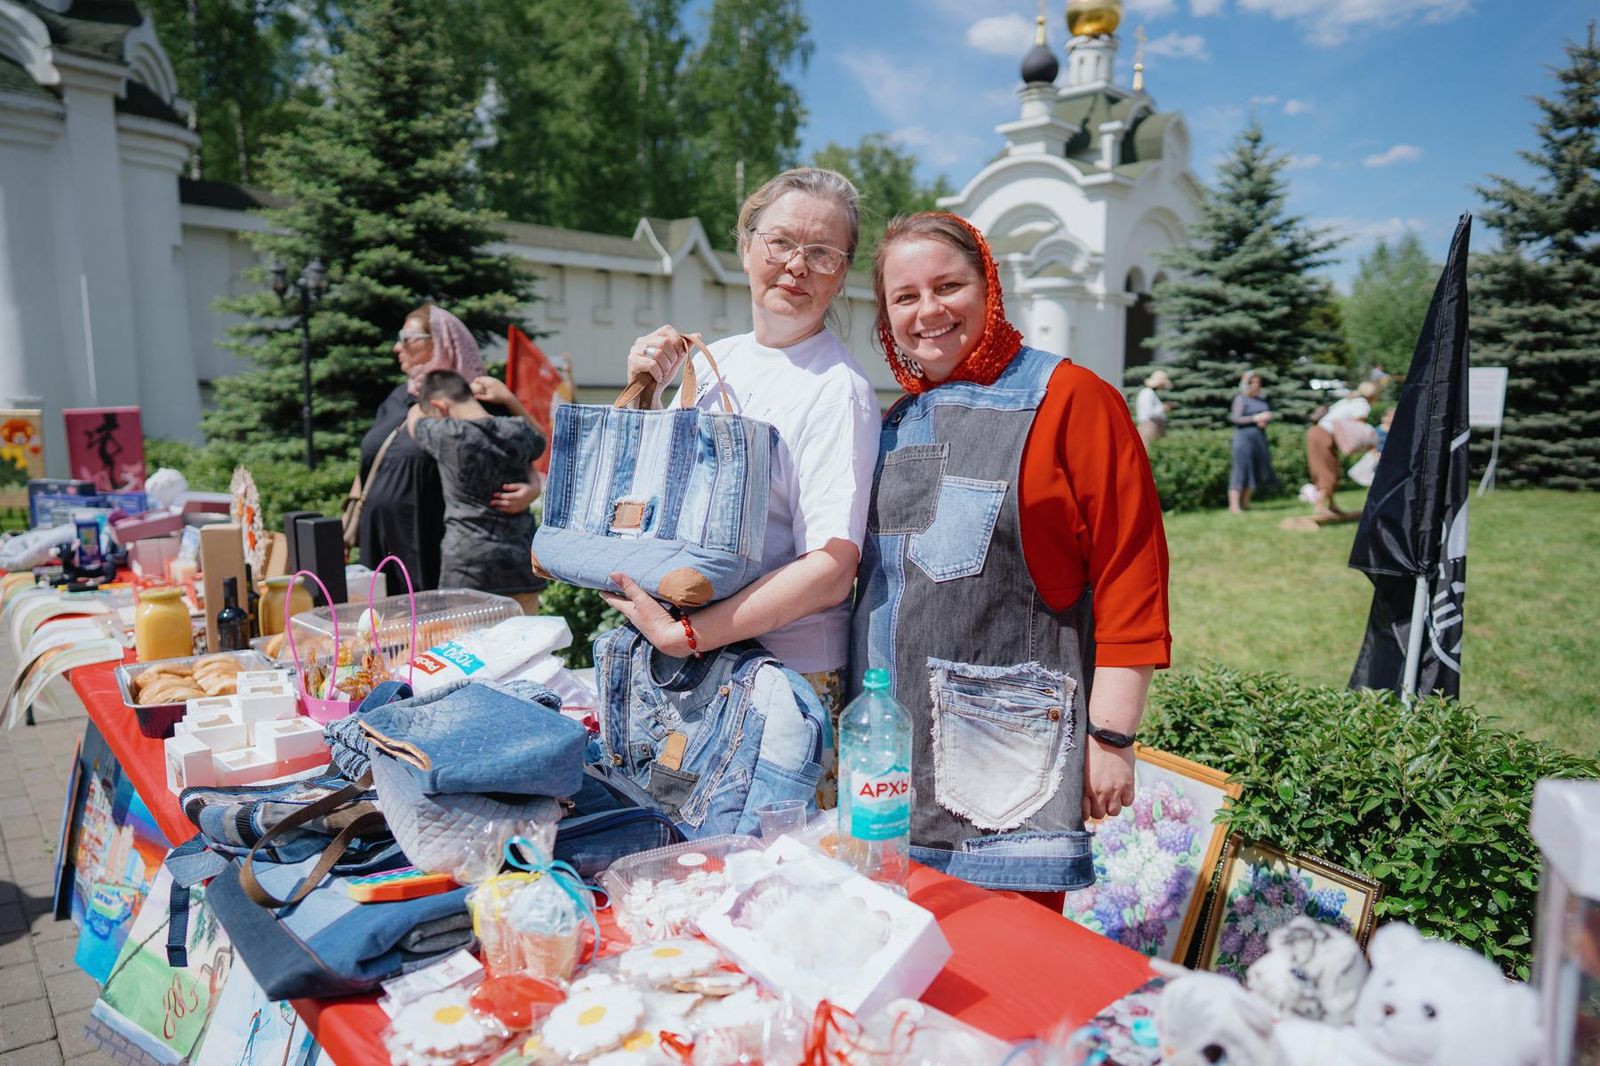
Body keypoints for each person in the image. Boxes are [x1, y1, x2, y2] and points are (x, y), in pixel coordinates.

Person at [850, 212, 1171, 902]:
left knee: (1007, 958)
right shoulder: (896, 423)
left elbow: (1131, 576)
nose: (928, 311)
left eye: (948, 286)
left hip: (1007, 770)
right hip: (889, 773)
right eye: (905, 297)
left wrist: (1111, 737)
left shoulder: (1074, 399)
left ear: (988, 287)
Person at [599, 167, 880, 727]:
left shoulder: (835, 391)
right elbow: (653, 493)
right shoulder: (714, 361)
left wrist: (688, 634)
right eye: (781, 241)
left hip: (782, 679)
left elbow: (830, 567)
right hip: (690, 663)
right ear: (747, 248)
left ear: (842, 274)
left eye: (822, 253)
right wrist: (643, 393)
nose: (797, 265)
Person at [355, 304, 538, 590]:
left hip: (432, 540)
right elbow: (370, 460)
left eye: (407, 338)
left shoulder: (473, 398)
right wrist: (352, 516)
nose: (397, 347)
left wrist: (534, 488)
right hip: (381, 539)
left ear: (441, 342)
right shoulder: (398, 397)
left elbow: (519, 450)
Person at [404, 370, 545, 613]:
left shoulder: (447, 434)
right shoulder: (517, 430)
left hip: (466, 566)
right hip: (520, 561)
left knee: (465, 636)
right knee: (524, 635)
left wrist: (420, 394)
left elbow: (414, 418)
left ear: (440, 406)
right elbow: (540, 440)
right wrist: (509, 398)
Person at [1306, 380, 1380, 516]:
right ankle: (1320, 505)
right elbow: (1358, 429)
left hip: (1317, 433)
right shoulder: (1362, 404)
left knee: (1330, 468)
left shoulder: (1349, 400)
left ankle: (1332, 505)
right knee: (1327, 470)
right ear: (1373, 395)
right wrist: (1370, 446)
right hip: (1324, 436)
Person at [1228, 371, 1278, 514]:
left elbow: (1263, 417)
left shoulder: (1261, 400)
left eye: (1258, 382)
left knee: (1253, 470)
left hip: (1259, 438)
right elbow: (1235, 418)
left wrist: (1265, 420)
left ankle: (1246, 503)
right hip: (1243, 439)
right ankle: (1234, 506)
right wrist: (1255, 418)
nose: (1256, 385)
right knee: (1241, 470)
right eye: (1252, 382)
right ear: (1246, 384)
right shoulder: (1241, 399)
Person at [1134, 369, 1173, 447]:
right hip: (1148, 426)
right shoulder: (1147, 393)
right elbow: (1149, 413)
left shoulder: (1150, 393)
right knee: (1148, 448)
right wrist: (1163, 408)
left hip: (1150, 425)